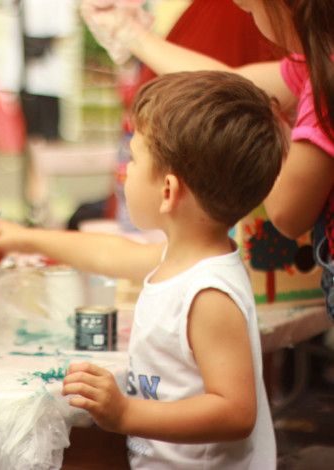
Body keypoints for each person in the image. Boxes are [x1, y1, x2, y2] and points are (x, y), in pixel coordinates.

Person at [0, 71, 286, 468]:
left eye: (133, 160)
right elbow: (109, 254)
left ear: (168, 191)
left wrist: (125, 414)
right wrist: (25, 238)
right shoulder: (182, 258)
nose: (123, 173)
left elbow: (235, 412)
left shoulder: (208, 293)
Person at [81, 0, 334, 317]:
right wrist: (130, 33)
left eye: (252, 11)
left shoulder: (326, 83)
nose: (244, 13)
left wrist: (274, 136)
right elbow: (232, 82)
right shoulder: (316, 65)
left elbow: (287, 214)